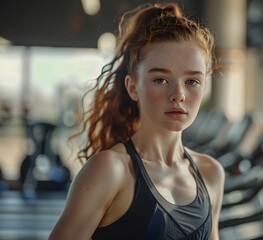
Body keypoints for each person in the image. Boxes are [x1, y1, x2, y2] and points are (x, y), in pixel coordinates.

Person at [49, 2, 225, 240]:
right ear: (133, 87)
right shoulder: (110, 170)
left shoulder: (211, 173)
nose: (178, 94)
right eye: (161, 80)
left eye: (192, 81)